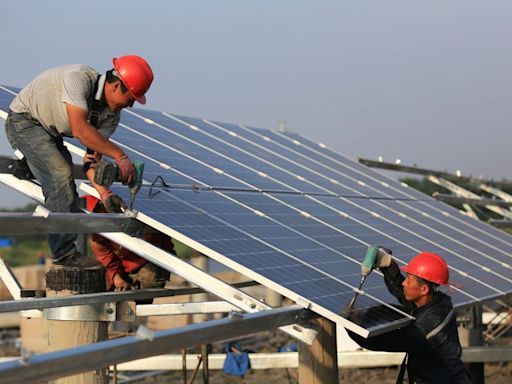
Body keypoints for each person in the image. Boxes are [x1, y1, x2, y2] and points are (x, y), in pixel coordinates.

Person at [4, 55, 154, 268]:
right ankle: (64, 255)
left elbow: (91, 160)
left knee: (64, 180)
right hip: (25, 122)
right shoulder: (80, 79)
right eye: (131, 97)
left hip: (50, 133)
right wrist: (120, 156)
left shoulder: (111, 117)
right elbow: (80, 130)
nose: (131, 105)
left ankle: (32, 165)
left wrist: (105, 194)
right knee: (60, 175)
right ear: (116, 86)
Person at [347, 249, 474, 384]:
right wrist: (389, 266)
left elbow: (375, 341)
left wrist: (348, 321)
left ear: (424, 289)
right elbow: (406, 296)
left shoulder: (424, 330)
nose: (404, 283)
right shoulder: (440, 304)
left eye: (408, 279)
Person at [86, 195, 172, 291]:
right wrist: (117, 279)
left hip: (150, 260)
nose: (97, 213)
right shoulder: (98, 236)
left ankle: (142, 303)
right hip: (122, 267)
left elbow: (163, 242)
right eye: (94, 211)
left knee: (149, 278)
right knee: (104, 284)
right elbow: (107, 260)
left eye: (99, 208)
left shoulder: (135, 213)